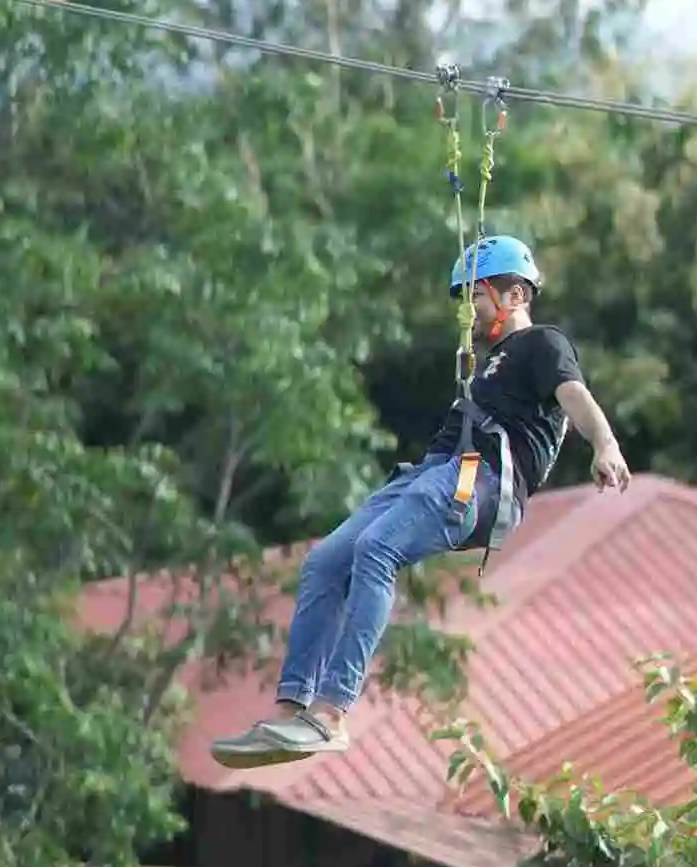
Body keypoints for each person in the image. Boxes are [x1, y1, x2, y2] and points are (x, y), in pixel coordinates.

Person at [211, 234, 630, 768]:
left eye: (477, 296)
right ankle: (295, 710)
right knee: (325, 562)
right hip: (432, 473)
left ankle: (332, 712)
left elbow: (574, 395)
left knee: (377, 551)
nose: (469, 312)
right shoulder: (489, 364)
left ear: (516, 294)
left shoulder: (543, 344)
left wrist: (606, 443)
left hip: (476, 480)